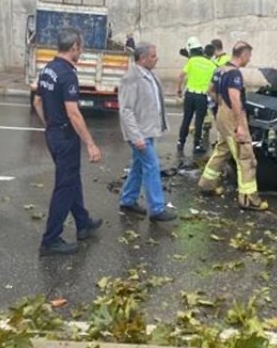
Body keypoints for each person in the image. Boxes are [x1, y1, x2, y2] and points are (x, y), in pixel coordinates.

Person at [32, 27, 104, 255]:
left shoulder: (48, 69)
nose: (81, 52)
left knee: (72, 180)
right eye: (80, 48)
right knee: (65, 186)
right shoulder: (67, 74)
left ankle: (83, 223)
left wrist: (49, 125)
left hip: (53, 133)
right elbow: (73, 113)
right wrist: (90, 143)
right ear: (74, 47)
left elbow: (37, 102)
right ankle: (50, 240)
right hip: (64, 136)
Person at [198, 42, 267, 211]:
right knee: (246, 157)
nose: (249, 60)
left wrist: (221, 104)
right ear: (243, 55)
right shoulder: (235, 74)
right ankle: (248, 199)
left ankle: (206, 184)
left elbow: (210, 90)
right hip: (233, 118)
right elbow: (236, 100)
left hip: (222, 115)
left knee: (222, 150)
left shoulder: (220, 70)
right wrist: (241, 126)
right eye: (249, 56)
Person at [118, 43, 176, 223]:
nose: (156, 58)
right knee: (152, 167)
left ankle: (127, 200)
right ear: (142, 59)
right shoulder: (131, 78)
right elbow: (126, 110)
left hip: (148, 130)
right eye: (153, 56)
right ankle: (157, 209)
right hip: (140, 134)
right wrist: (137, 137)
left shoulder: (149, 75)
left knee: (138, 167)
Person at [175, 37, 215, 156]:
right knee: (199, 121)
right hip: (202, 97)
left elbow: (181, 76)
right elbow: (213, 83)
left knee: (186, 119)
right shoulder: (211, 65)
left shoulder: (191, 61)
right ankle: (197, 144)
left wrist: (178, 90)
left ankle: (180, 142)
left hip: (190, 95)